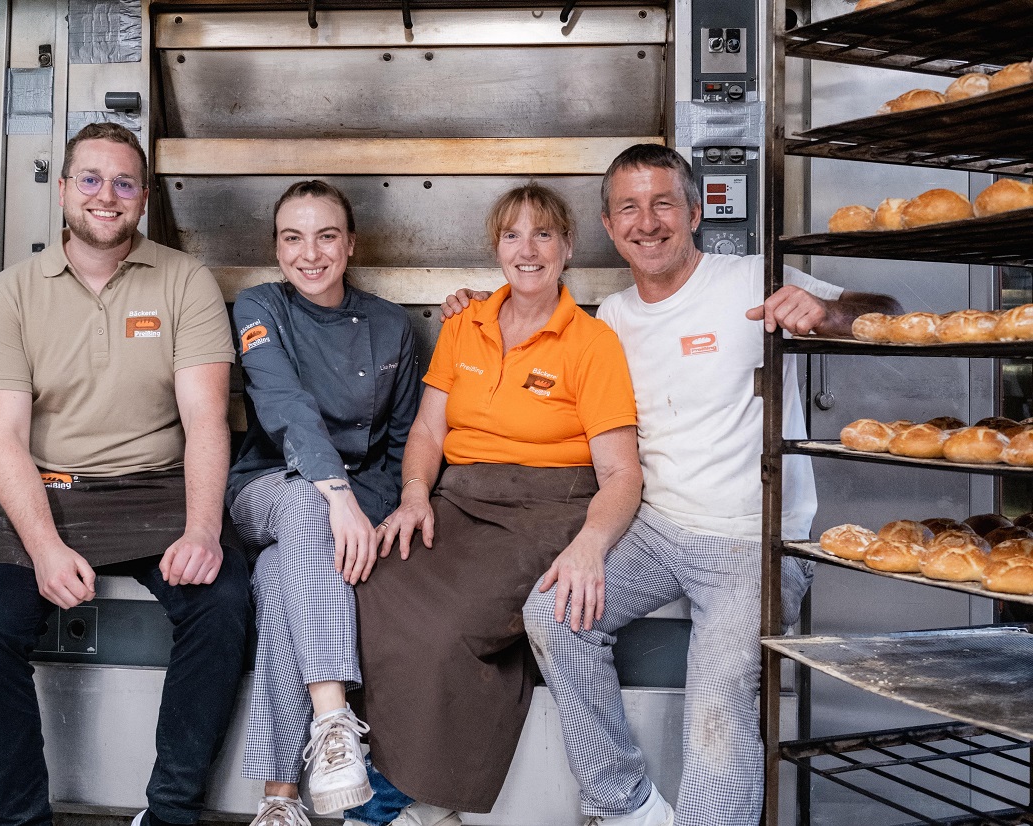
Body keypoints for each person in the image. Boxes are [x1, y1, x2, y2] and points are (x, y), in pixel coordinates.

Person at [445, 144, 899, 826]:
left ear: (694, 213)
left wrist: (826, 313)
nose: (647, 221)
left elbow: (887, 312)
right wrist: (485, 304)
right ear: (607, 224)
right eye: (629, 207)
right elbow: (536, 329)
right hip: (657, 530)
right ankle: (621, 803)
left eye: (663, 204)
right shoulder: (611, 320)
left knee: (717, 696)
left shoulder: (754, 278)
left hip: (755, 540)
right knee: (552, 616)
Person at [0, 122, 251, 826]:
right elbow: (3, 439)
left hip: (156, 488)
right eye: (89, 179)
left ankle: (170, 811)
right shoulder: (11, 294)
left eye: (123, 182)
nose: (105, 196)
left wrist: (205, 532)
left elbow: (207, 421)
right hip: (46, 488)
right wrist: (46, 548)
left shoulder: (186, 281)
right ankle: (21, 817)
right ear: (62, 190)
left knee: (224, 597)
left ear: (143, 198)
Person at [343, 183, 643, 826]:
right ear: (496, 248)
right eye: (512, 235)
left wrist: (591, 545)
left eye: (542, 235)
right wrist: (415, 495)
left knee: (447, 626)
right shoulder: (465, 324)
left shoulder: (592, 343)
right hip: (458, 498)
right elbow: (427, 432)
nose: (526, 249)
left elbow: (621, 473)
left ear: (568, 248)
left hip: (546, 510)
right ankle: (400, 794)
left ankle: (408, 803)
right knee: (368, 591)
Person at [227, 180, 421, 826]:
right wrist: (337, 498)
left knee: (281, 578)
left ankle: (281, 802)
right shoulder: (258, 307)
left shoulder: (392, 326)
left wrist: (373, 509)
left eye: (326, 235)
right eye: (292, 237)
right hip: (264, 487)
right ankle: (335, 720)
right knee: (308, 512)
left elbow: (400, 446)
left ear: (351, 244)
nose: (309, 253)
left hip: (349, 505)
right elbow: (286, 407)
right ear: (276, 247)